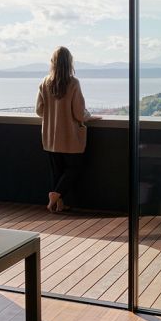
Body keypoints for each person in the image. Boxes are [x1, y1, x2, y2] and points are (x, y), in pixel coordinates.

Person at [35, 47, 91, 213]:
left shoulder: (45, 82)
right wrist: (88, 115)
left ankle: (58, 202)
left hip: (50, 137)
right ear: (70, 63)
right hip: (69, 136)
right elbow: (79, 113)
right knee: (74, 168)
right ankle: (55, 196)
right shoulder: (73, 83)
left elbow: (39, 110)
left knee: (57, 171)